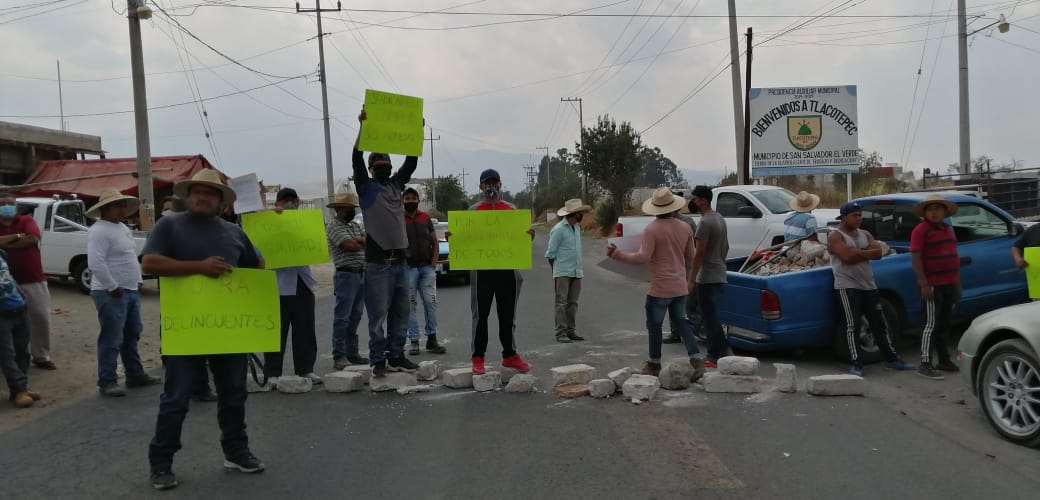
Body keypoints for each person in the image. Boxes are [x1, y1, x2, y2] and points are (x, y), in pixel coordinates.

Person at [143, 169, 265, 490]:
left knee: (234, 394)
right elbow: (149, 263)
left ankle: (236, 451)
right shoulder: (169, 224)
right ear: (188, 196)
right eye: (197, 191)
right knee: (176, 398)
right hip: (186, 330)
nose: (202, 196)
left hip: (228, 331)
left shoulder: (234, 233)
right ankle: (161, 462)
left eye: (210, 193)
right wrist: (199, 267)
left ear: (222, 202)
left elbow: (257, 266)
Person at [608, 188, 705, 380]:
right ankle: (696, 360)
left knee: (654, 326)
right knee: (682, 323)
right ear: (673, 207)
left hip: (660, 287)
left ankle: (654, 363)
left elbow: (642, 257)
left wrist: (617, 254)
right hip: (679, 285)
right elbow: (691, 257)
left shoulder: (651, 229)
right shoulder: (685, 227)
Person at [352, 109, 420, 378]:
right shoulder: (365, 188)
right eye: (378, 161)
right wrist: (362, 127)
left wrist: (415, 134)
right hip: (377, 263)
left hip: (400, 261)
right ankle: (378, 359)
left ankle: (397, 356)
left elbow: (411, 163)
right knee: (378, 315)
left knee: (401, 312)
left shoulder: (396, 186)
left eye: (386, 160)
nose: (384, 163)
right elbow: (356, 157)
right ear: (371, 168)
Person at [86, 188, 161, 397]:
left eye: (122, 206)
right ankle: (107, 380)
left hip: (128, 290)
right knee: (112, 337)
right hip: (110, 292)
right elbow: (95, 263)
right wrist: (111, 286)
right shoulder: (99, 230)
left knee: (131, 334)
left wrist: (136, 281)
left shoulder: (120, 227)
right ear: (105, 209)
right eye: (117, 206)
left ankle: (135, 374)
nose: (122, 210)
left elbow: (128, 257)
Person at [828, 202, 916, 377]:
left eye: (860, 215)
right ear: (844, 217)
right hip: (847, 286)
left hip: (869, 285)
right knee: (852, 325)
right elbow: (846, 257)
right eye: (855, 215)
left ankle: (892, 359)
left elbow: (878, 253)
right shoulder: (835, 236)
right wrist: (866, 251)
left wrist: (858, 252)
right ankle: (856, 363)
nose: (859, 219)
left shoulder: (865, 233)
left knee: (879, 323)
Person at [463, 169, 533, 375]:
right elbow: (465, 238)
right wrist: (454, 237)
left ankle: (510, 355)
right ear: (481, 186)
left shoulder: (511, 210)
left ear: (500, 184)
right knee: (480, 315)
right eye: (487, 183)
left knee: (507, 315)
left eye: (494, 183)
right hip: (482, 271)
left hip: (507, 271)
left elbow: (520, 241)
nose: (491, 186)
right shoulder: (472, 212)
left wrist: (528, 237)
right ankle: (477, 358)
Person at [263, 188, 320, 387]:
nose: (288, 204)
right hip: (277, 285)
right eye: (284, 200)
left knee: (305, 329)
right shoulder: (267, 222)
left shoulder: (305, 222)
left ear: (297, 202)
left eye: (292, 200)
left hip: (302, 281)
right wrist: (271, 218)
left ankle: (306, 369)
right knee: (276, 331)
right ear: (277, 203)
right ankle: (272, 372)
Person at [0, 191, 55, 370]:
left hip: (32, 277)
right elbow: (26, 239)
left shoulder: (26, 221)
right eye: (2, 204)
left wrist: (5, 242)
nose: (6, 207)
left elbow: (33, 238)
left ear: (16, 206)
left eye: (9, 203)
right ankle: (10, 359)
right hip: (4, 283)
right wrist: (18, 237)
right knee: (6, 322)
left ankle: (41, 356)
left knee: (40, 317)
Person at [910, 194, 962, 380]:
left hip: (949, 284)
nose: (934, 212)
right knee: (930, 325)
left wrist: (957, 283)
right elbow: (916, 258)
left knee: (945, 324)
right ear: (924, 212)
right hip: (932, 286)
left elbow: (953, 257)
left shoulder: (948, 229)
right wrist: (924, 284)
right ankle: (925, 363)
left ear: (944, 211)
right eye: (930, 209)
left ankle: (944, 360)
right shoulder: (920, 230)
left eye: (937, 208)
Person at [688, 185, 731, 367]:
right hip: (719, 271)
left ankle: (713, 355)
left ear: (703, 200)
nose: (694, 202)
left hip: (707, 276)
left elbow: (700, 253)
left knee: (708, 316)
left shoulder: (705, 223)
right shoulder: (719, 218)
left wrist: (692, 278)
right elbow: (726, 247)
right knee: (712, 315)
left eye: (696, 199)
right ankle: (725, 351)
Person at [326, 192, 369, 370]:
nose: (352, 211)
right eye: (349, 208)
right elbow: (349, 246)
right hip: (346, 275)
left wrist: (359, 240)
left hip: (360, 273)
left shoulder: (353, 225)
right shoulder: (333, 226)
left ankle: (352, 352)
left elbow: (368, 241)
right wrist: (360, 241)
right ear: (338, 209)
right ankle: (339, 354)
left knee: (355, 315)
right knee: (342, 317)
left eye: (353, 208)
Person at [402, 187, 447, 355]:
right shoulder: (398, 219)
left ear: (418, 200)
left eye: (414, 198)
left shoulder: (426, 218)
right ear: (403, 200)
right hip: (408, 268)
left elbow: (435, 241)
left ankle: (432, 339)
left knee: (430, 302)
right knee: (410, 304)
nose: (411, 200)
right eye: (407, 198)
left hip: (426, 267)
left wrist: (434, 262)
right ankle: (414, 341)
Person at [546, 198, 591, 343]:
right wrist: (557, 271)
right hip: (563, 272)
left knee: (573, 303)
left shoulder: (576, 228)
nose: (582, 215)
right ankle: (561, 333)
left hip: (576, 271)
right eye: (580, 213)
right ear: (574, 214)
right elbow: (550, 254)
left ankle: (571, 331)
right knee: (561, 303)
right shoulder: (558, 229)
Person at [0, 248, 39, 408]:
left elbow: (7, 275)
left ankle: (21, 387)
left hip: (19, 309)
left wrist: (20, 291)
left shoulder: (1, 253)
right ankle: (18, 390)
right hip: (2, 315)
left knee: (22, 352)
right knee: (7, 354)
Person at [665, 197, 699, 344]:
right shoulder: (687, 222)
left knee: (685, 300)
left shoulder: (686, 222)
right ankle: (681, 331)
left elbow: (696, 243)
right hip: (679, 266)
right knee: (678, 300)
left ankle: (687, 330)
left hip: (683, 266)